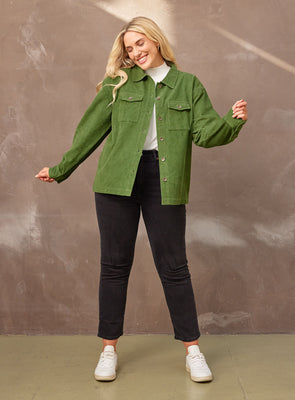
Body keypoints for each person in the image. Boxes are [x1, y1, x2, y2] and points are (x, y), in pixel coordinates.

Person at [35, 16, 247, 383]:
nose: (135, 52)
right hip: (116, 181)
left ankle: (193, 351)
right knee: (114, 266)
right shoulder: (118, 84)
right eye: (129, 48)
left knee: (174, 267)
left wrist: (232, 121)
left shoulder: (187, 85)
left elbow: (205, 133)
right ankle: (108, 351)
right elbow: (89, 133)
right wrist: (61, 168)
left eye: (140, 44)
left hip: (164, 179)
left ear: (156, 41)